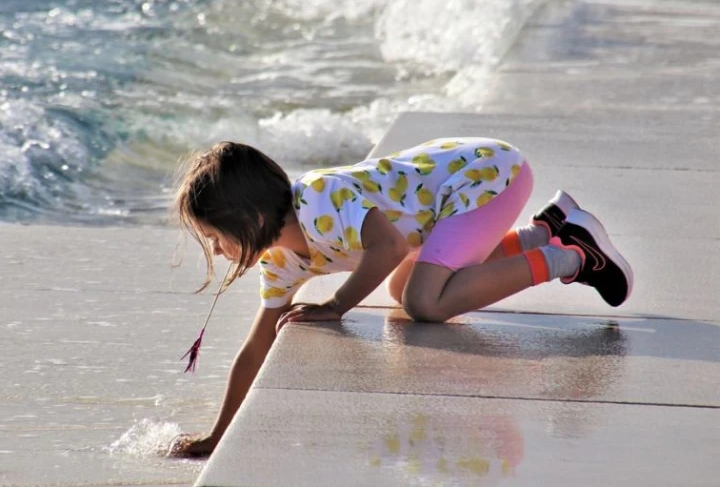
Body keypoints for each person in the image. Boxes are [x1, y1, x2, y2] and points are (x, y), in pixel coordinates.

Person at [167, 138, 633, 457]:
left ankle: (569, 257)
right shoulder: (281, 259)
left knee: (424, 303)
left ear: (246, 217)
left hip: (487, 175)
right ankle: (541, 233)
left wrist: (336, 306)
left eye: (214, 236)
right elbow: (256, 348)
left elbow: (388, 247)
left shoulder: (316, 198)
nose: (214, 249)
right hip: (454, 197)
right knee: (398, 289)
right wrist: (218, 435)